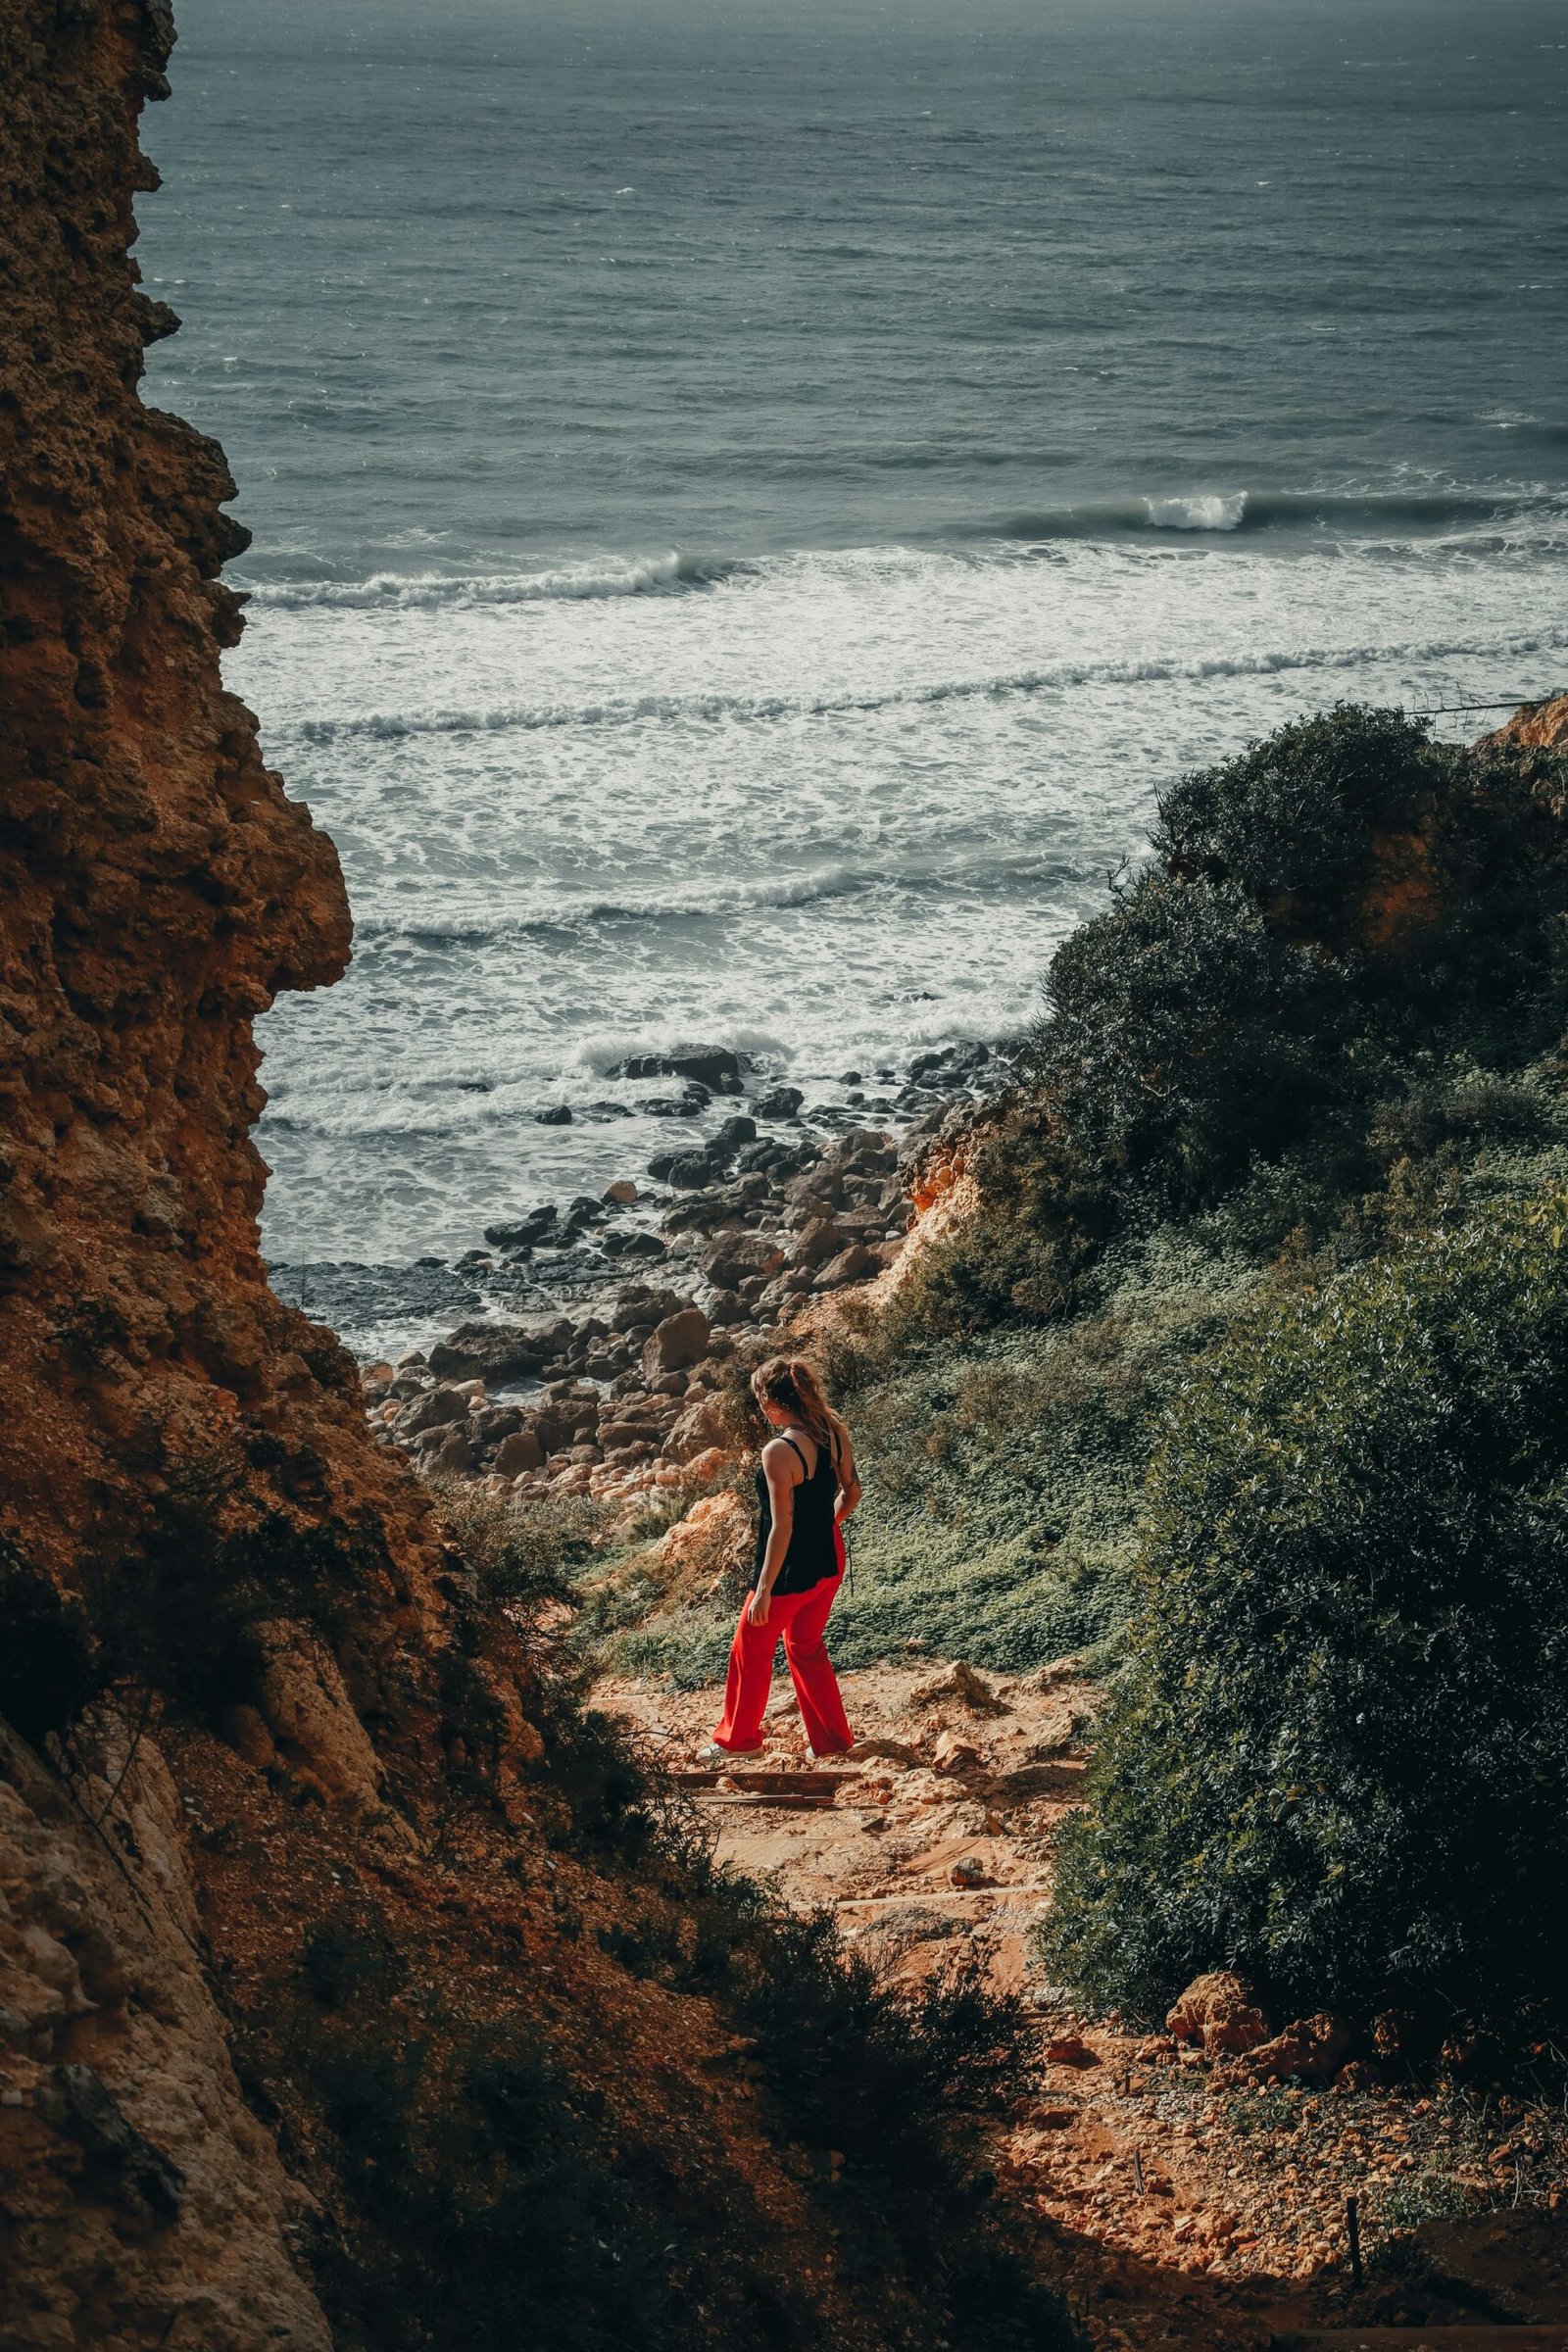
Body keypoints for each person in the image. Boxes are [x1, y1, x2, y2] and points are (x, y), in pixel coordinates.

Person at [697, 1355, 860, 1762]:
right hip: (829, 1560)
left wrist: (764, 1590)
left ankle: (739, 1743)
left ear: (772, 1401)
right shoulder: (834, 1433)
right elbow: (852, 1494)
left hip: (792, 1570)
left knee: (750, 1647)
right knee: (806, 1646)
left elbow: (781, 1527)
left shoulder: (780, 1450)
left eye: (760, 1399)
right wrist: (823, 1525)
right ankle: (833, 1742)